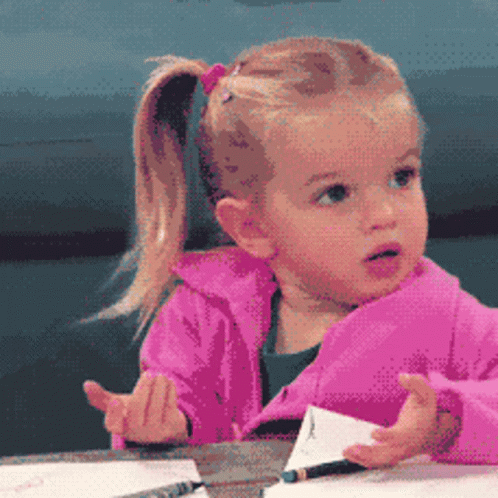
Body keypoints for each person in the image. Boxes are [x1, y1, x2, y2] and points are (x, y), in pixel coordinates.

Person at [82, 36, 498, 468]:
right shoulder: (198, 316)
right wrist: (160, 432)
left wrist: (449, 422)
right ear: (252, 228)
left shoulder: (447, 318)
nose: (385, 215)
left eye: (402, 177)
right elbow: (186, 420)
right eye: (336, 194)